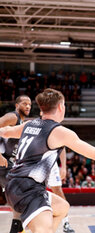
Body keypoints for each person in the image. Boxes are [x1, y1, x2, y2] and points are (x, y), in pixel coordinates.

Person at [0, 88, 95, 233]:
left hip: (13, 184)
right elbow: (94, 153)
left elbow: (5, 131)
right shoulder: (59, 131)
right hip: (28, 189)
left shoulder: (30, 124)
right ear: (60, 107)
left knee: (63, 207)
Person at [0, 95, 31, 233]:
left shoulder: (24, 123)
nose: (28, 106)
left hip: (8, 166)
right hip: (3, 163)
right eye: (24, 103)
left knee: (19, 201)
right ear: (16, 105)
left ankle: (17, 229)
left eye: (30, 104)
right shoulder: (12, 117)